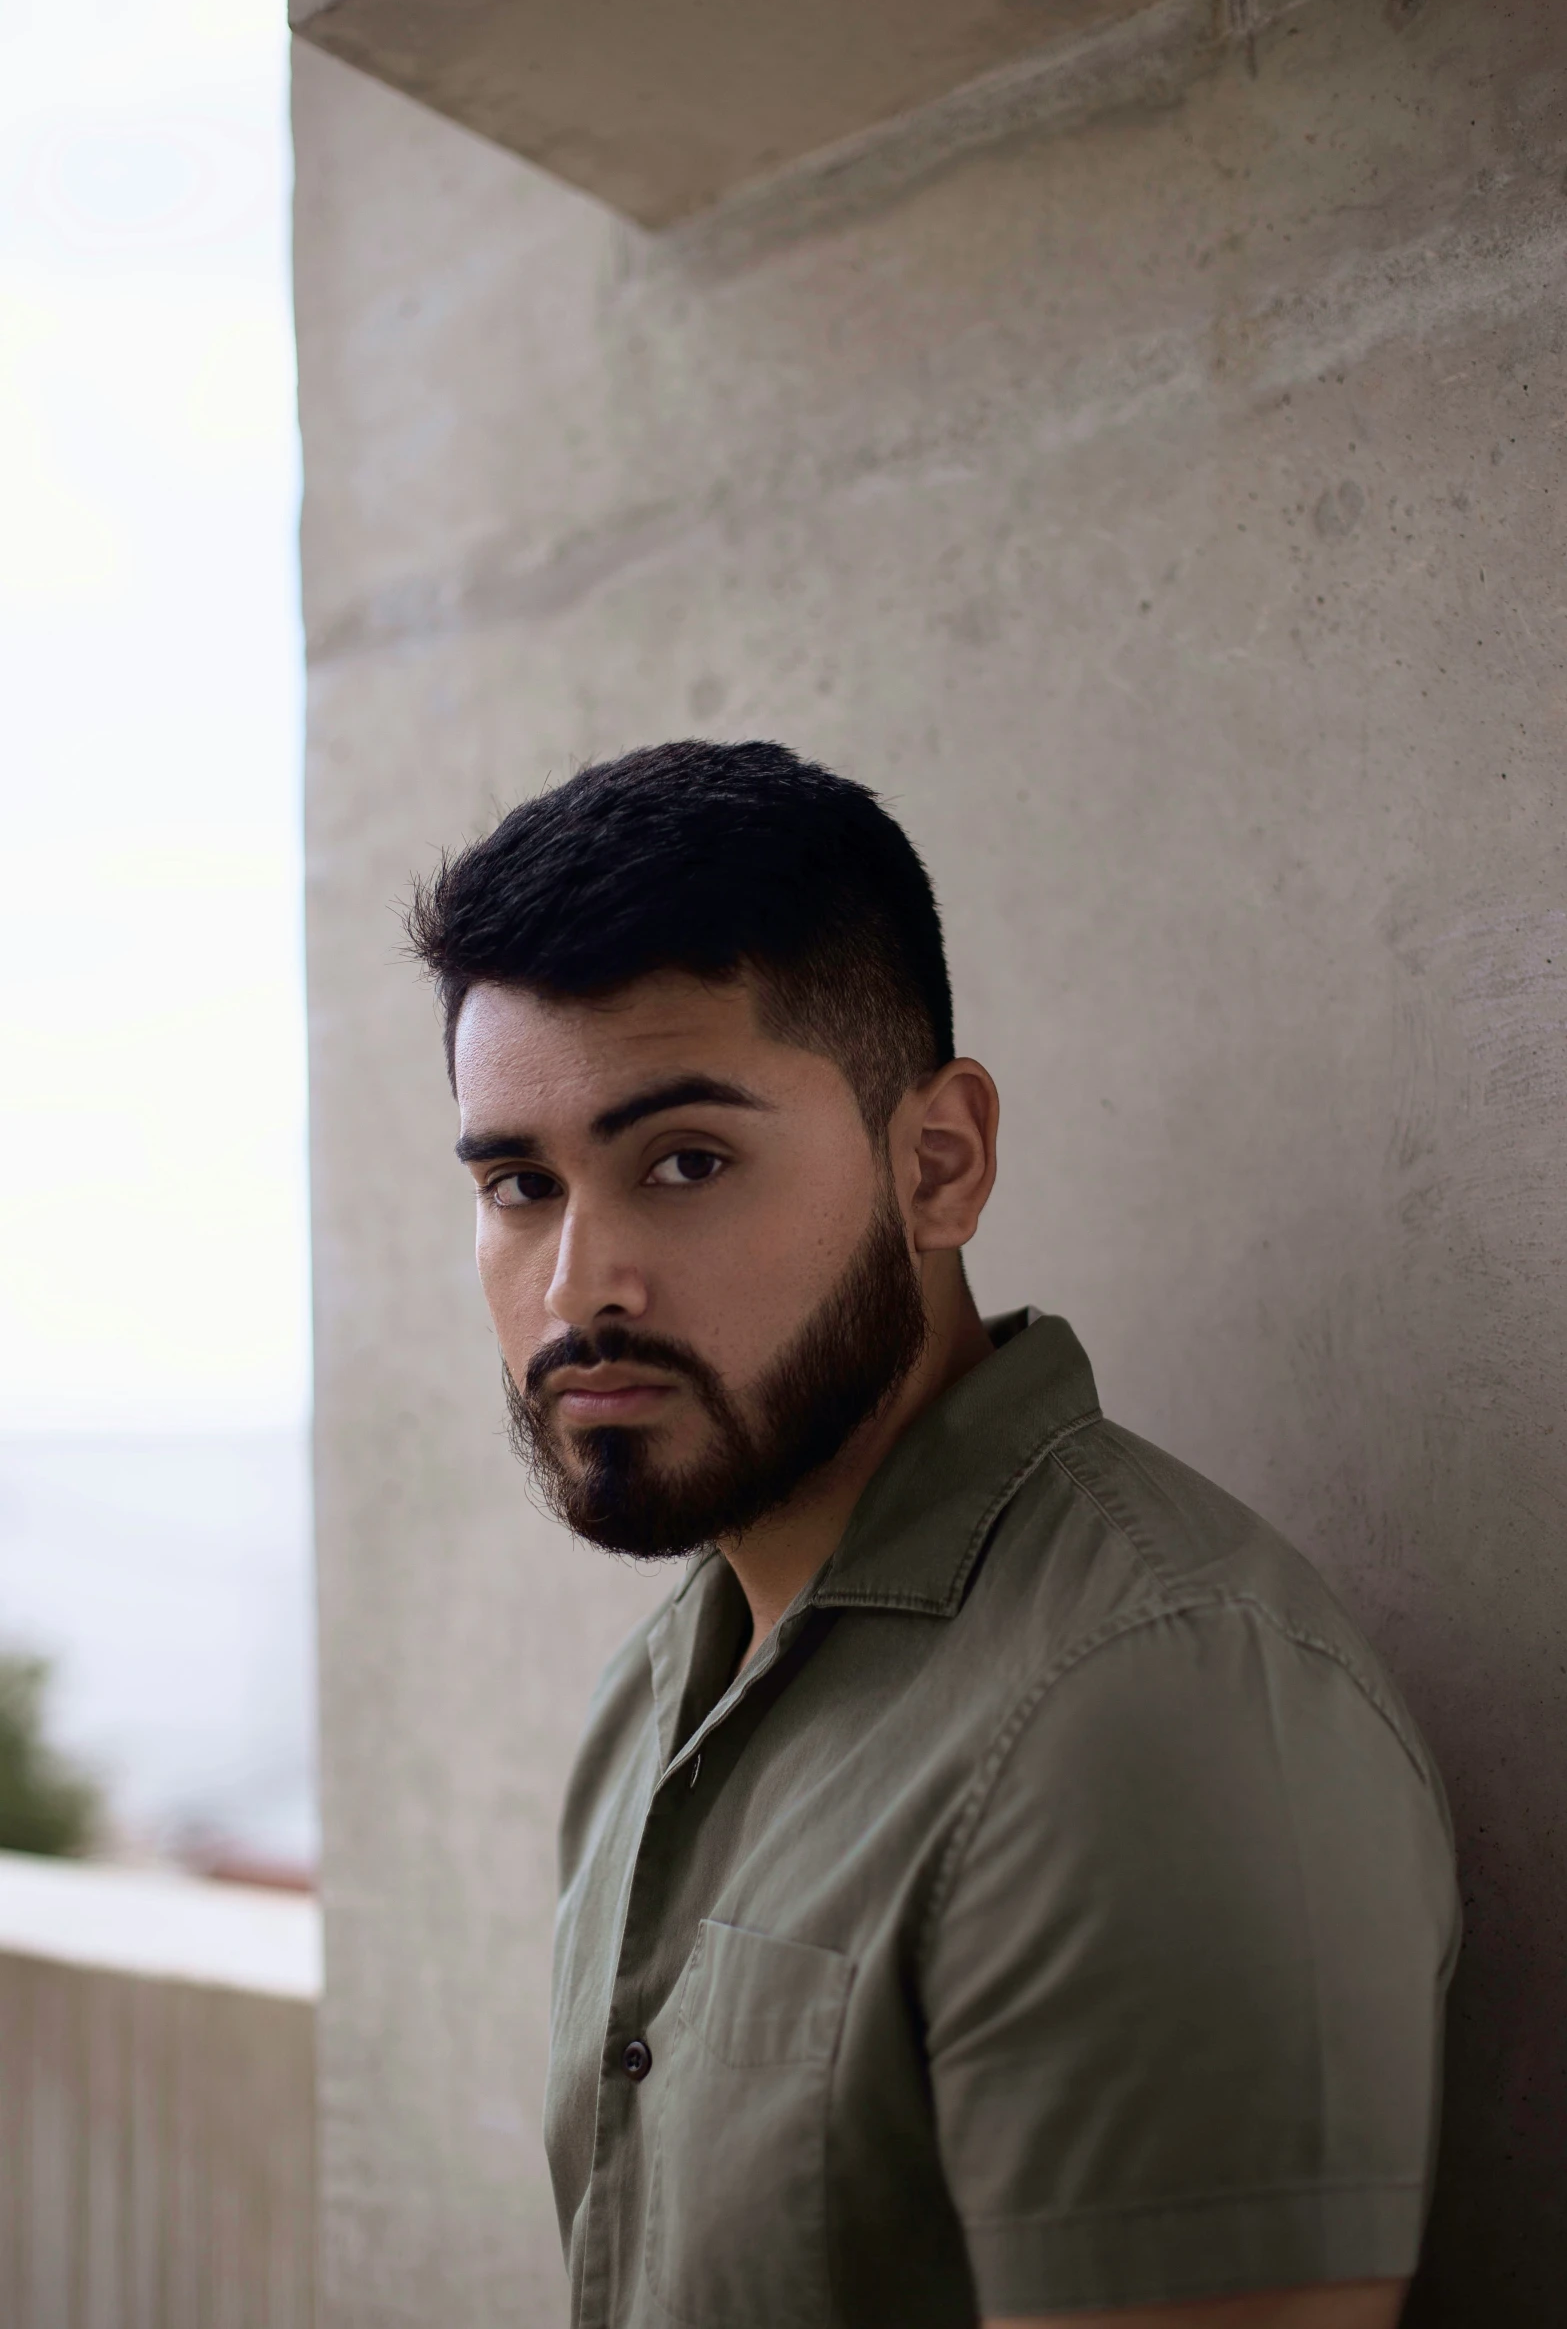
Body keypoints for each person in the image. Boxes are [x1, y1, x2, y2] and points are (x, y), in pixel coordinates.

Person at [408, 740, 1458, 2329]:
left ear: (937, 1162)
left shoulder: (1149, 1711)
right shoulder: (655, 1695)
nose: (578, 1288)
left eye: (683, 1161)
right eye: (521, 1185)